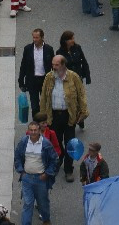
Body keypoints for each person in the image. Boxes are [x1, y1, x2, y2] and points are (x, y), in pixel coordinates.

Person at [38, 54, 89, 182]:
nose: (54, 67)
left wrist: (83, 112)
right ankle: (58, 159)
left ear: (63, 65)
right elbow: (44, 97)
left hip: (69, 115)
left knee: (70, 144)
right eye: (53, 64)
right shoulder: (49, 77)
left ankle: (68, 169)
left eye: (56, 65)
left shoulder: (73, 77)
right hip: (53, 115)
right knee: (55, 142)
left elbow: (81, 95)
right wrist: (43, 117)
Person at [13, 119, 58, 224]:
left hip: (41, 179)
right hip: (27, 178)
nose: (33, 132)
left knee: (43, 203)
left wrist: (47, 173)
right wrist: (21, 171)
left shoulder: (46, 143)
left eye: (35, 130)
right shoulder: (24, 142)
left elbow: (54, 160)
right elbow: (17, 157)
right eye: (31, 130)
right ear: (28, 131)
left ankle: (46, 220)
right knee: (28, 203)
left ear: (39, 131)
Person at [19, 28, 53, 118]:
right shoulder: (28, 49)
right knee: (34, 105)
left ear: (42, 37)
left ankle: (45, 123)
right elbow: (23, 65)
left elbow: (53, 66)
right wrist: (21, 81)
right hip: (32, 80)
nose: (34, 40)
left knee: (45, 104)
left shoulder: (49, 49)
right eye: (33, 37)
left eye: (37, 37)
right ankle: (36, 124)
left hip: (44, 80)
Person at [58, 31, 91, 97]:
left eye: (73, 38)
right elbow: (59, 68)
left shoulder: (77, 48)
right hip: (68, 80)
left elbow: (84, 62)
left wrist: (87, 77)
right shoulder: (60, 52)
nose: (73, 40)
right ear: (65, 41)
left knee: (80, 98)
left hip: (78, 78)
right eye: (71, 39)